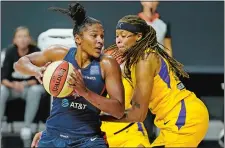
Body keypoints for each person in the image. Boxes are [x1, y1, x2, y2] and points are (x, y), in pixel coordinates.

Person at [14, 3, 125, 148]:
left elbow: (118, 111)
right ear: (78, 38)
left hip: (88, 139)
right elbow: (20, 63)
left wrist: (84, 92)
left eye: (102, 36)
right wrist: (37, 71)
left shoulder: (107, 64)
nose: (100, 41)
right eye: (94, 36)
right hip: (53, 135)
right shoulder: (60, 54)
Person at [101, 15, 209, 147]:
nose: (118, 40)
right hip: (176, 121)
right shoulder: (140, 59)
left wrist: (99, 117)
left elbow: (138, 114)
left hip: (184, 118)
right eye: (117, 36)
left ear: (139, 37)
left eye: (123, 36)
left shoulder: (144, 60)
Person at [0, 26, 45, 140]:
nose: (22, 39)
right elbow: (3, 78)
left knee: (35, 90)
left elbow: (40, 77)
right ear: (14, 40)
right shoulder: (10, 52)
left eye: (25, 36)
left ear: (30, 39)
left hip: (30, 88)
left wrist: (24, 84)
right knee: (1, 90)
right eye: (19, 37)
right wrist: (13, 85)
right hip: (13, 88)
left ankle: (27, 127)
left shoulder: (36, 51)